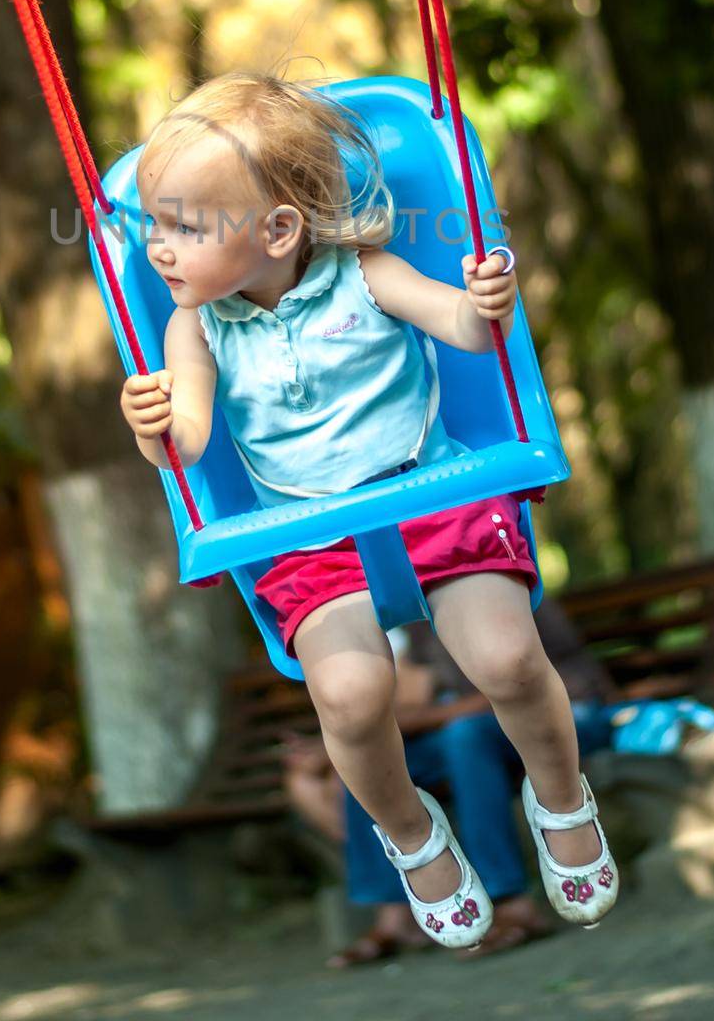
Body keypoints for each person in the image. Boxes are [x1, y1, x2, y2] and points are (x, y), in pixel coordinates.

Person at [120, 70, 619, 949]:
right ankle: (411, 835)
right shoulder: (192, 329)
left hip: (433, 497)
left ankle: (560, 794)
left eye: (183, 228)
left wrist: (486, 305)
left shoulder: (366, 274)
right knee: (349, 700)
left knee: (506, 658)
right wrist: (155, 424)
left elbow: (462, 329)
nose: (158, 249)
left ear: (279, 230)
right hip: (315, 541)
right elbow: (191, 443)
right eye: (155, 224)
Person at [283, 603, 615, 966]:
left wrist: (439, 712)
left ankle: (513, 904)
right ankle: (395, 917)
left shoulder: (499, 591)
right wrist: (343, 742)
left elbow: (523, 682)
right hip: (475, 732)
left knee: (465, 734)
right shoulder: (413, 617)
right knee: (370, 764)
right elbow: (413, 705)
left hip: (567, 715)